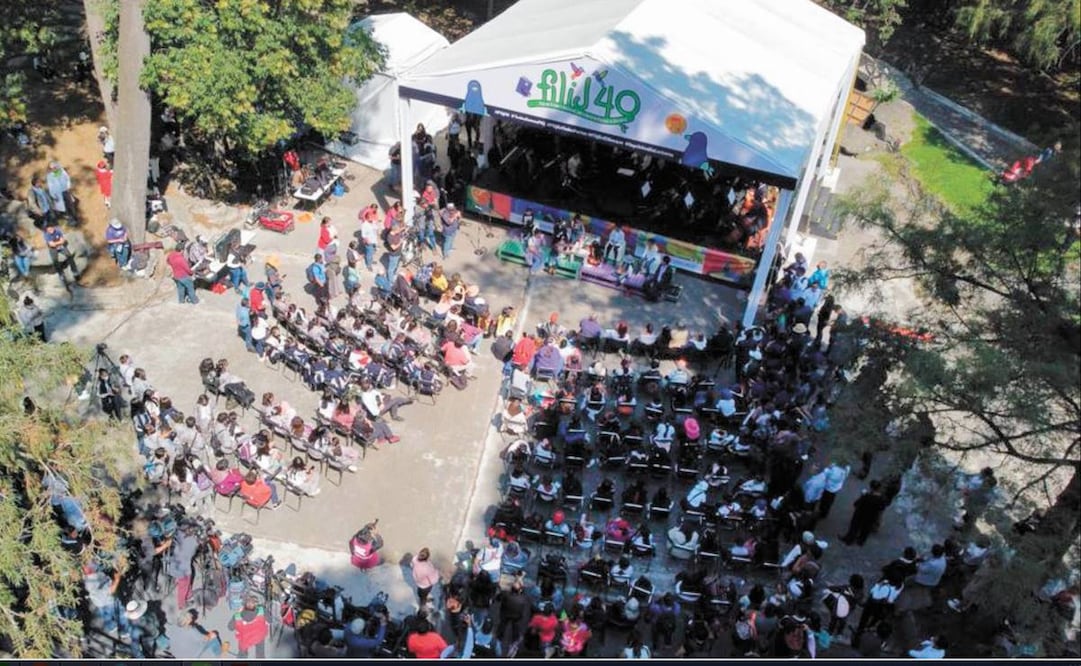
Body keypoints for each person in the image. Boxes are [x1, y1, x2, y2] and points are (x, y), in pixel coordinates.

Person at [840, 480, 889, 546]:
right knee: (866, 529)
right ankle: (861, 541)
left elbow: (856, 504)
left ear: (871, 487)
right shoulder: (881, 499)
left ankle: (849, 539)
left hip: (860, 514)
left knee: (854, 527)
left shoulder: (866, 496)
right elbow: (882, 508)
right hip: (871, 517)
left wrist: (862, 495)